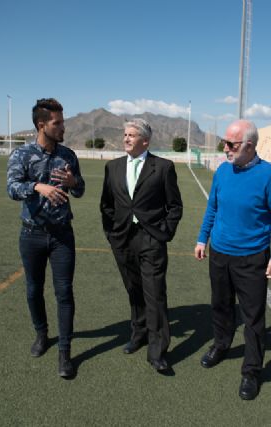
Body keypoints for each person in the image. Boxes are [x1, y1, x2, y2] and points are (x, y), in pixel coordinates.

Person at [194, 119, 271, 400]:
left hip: (252, 259)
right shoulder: (222, 171)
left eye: (231, 144)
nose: (225, 148)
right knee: (221, 306)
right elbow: (213, 207)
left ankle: (251, 370)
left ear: (249, 146)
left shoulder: (269, 175)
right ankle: (221, 345)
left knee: (253, 318)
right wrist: (203, 239)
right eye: (225, 142)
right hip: (220, 253)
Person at [6, 98, 85, 378]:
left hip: (62, 235)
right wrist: (38, 187)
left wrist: (73, 183)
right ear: (42, 125)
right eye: (57, 123)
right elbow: (12, 188)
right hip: (32, 235)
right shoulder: (22, 155)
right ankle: (42, 334)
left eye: (62, 121)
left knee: (64, 293)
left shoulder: (68, 155)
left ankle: (65, 352)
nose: (63, 127)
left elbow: (81, 190)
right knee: (33, 289)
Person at [100, 118, 183, 372]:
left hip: (151, 239)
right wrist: (112, 233)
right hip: (123, 238)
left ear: (145, 141)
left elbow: (175, 206)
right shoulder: (112, 167)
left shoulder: (163, 167)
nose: (126, 138)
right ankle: (138, 334)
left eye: (132, 135)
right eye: (125, 134)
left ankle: (157, 350)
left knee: (154, 293)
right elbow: (106, 205)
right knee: (133, 289)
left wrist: (163, 233)